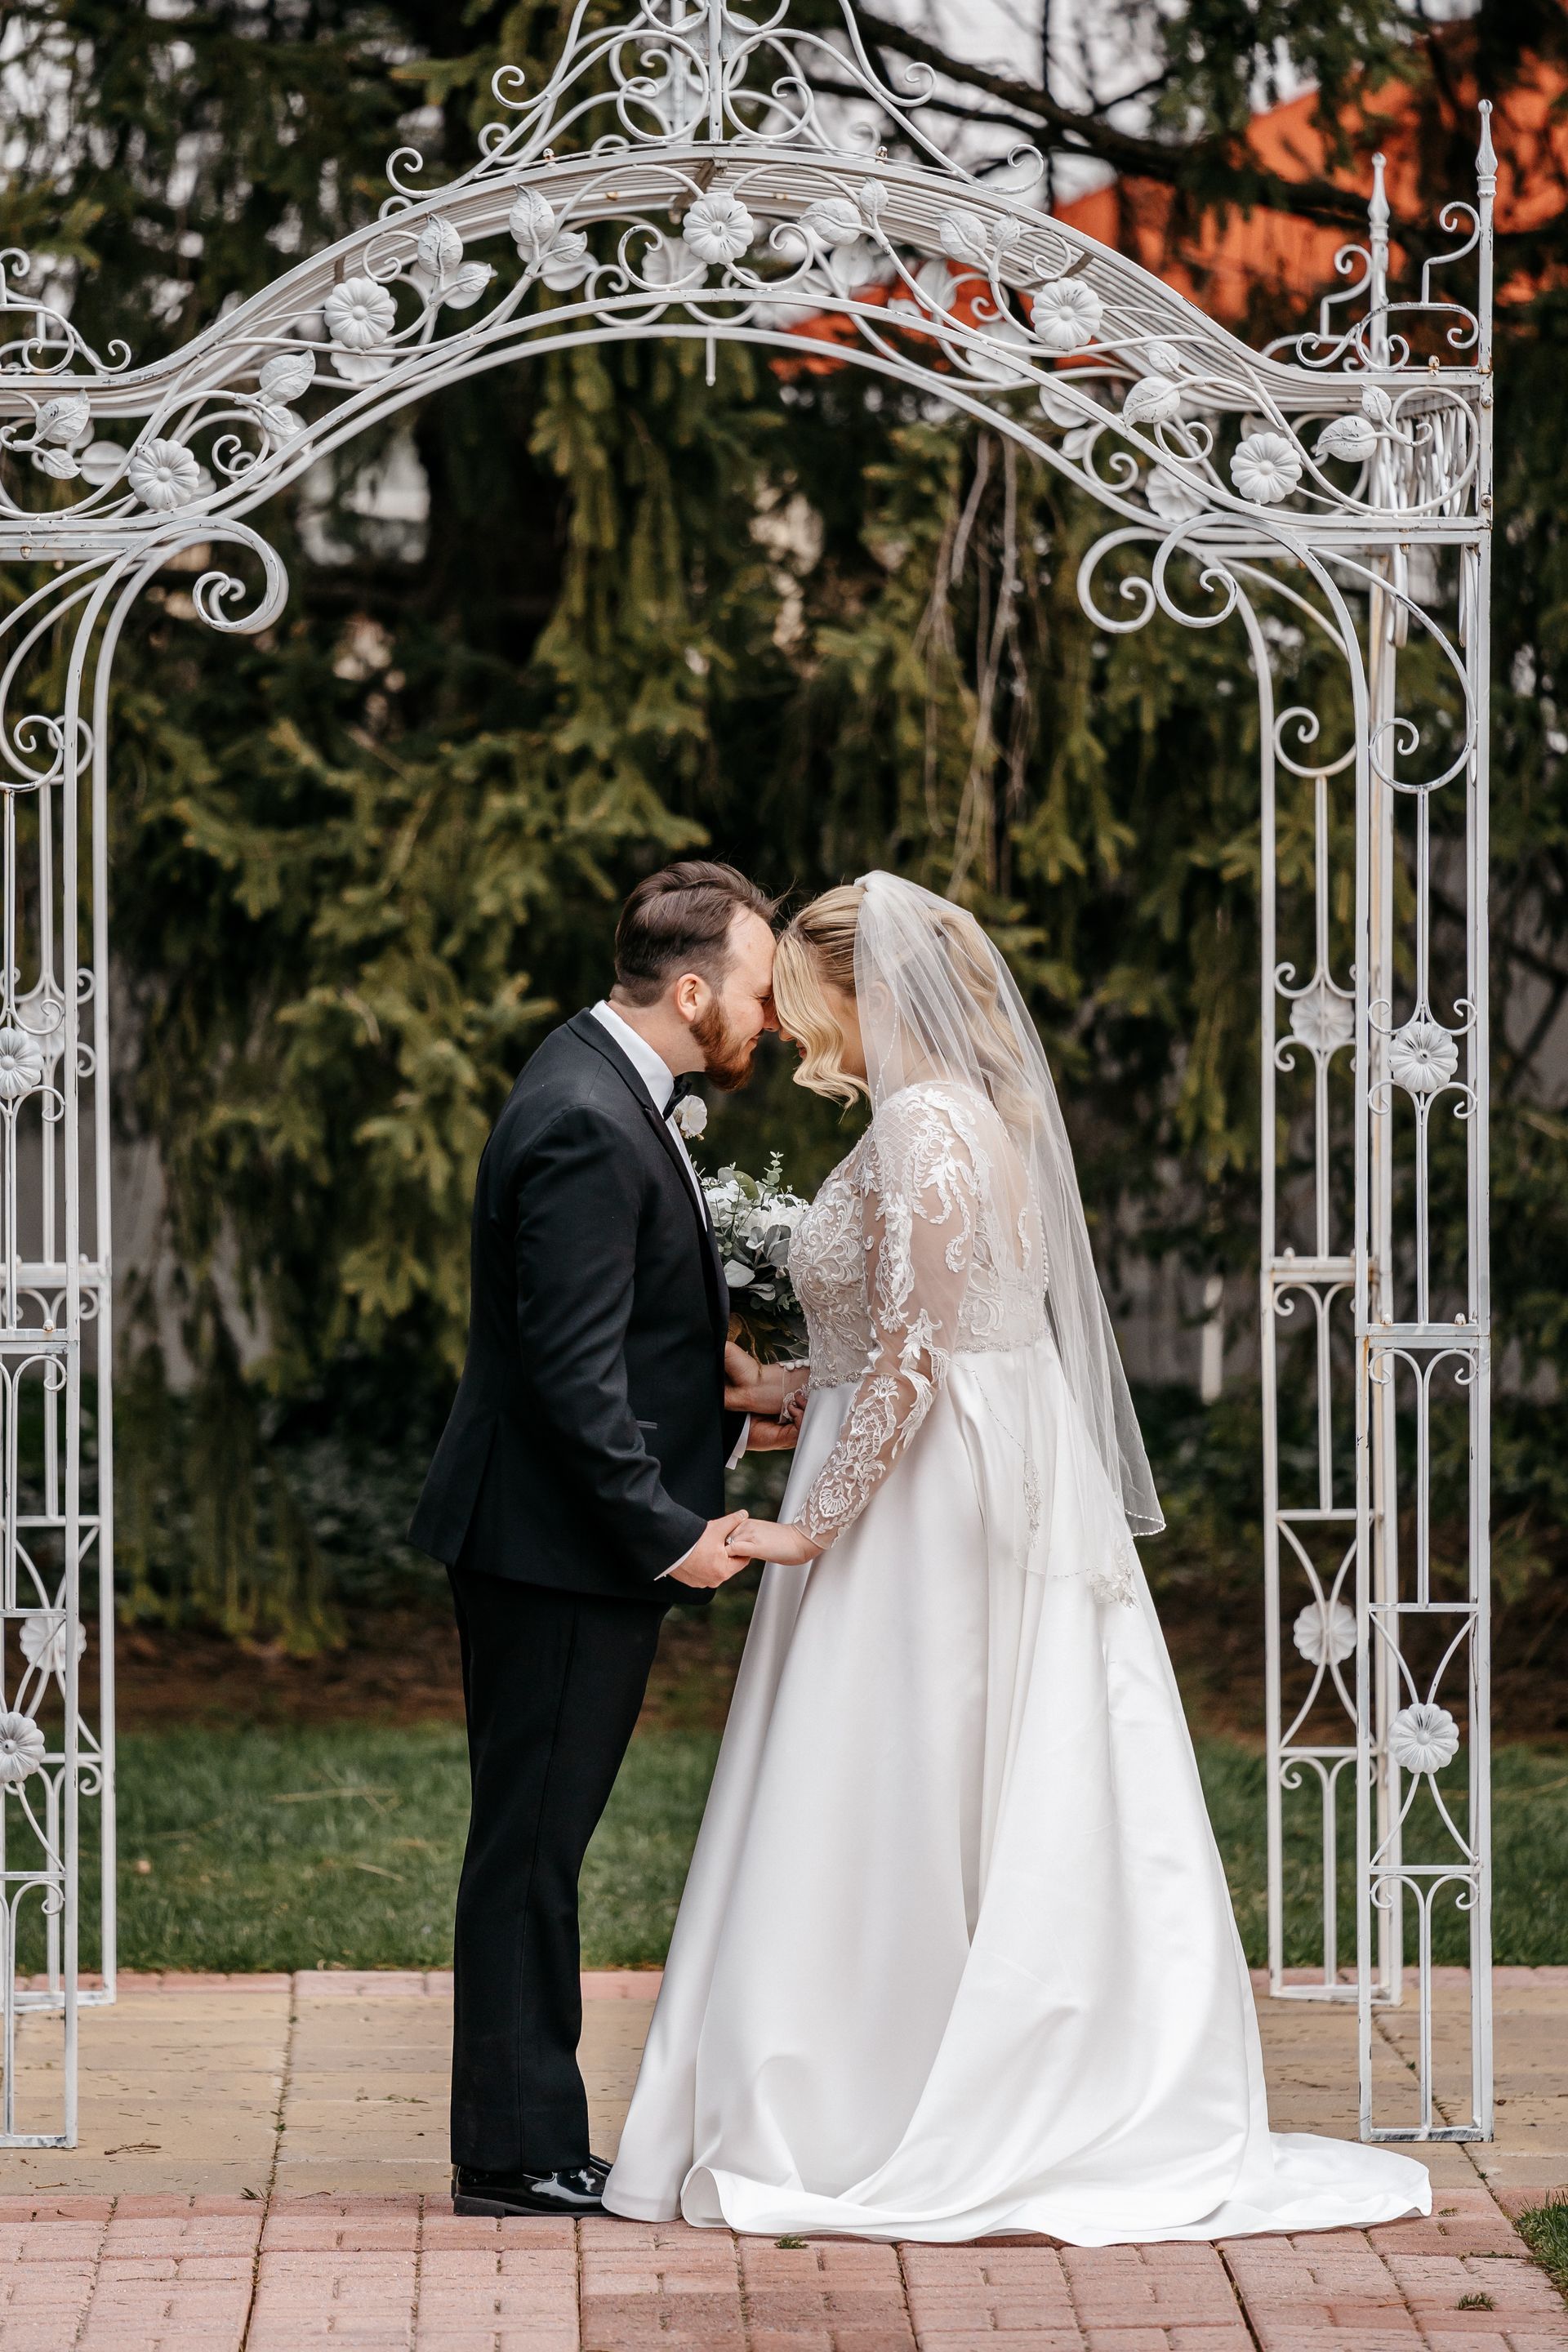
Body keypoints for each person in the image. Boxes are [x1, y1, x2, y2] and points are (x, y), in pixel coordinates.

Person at [604, 871, 1431, 2244]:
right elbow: (934, 1336)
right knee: (936, 1775)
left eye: (803, 1001)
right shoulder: (964, 1117)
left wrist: (814, 1525)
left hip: (926, 1503)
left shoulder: (928, 1126)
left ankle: (896, 2091)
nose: (795, 1032)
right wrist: (791, 1391)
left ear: (864, 990)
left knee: (912, 1778)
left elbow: (924, 1359)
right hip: (945, 1458)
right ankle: (906, 2064)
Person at [410, 860, 790, 2220]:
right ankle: (515, 2153)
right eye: (753, 991)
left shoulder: (600, 1079)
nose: (768, 1018)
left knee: (535, 1842)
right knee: (529, 1847)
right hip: (557, 1549)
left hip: (557, 1537)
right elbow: (571, 1382)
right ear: (691, 993)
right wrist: (671, 1533)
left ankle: (521, 2136)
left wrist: (740, 1411)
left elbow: (614, 1344)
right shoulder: (584, 1115)